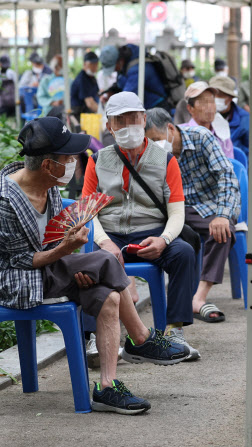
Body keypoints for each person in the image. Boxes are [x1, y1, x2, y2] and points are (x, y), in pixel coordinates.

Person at [0, 117, 189, 415]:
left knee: (109, 297)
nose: (75, 161)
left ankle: (106, 387)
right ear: (49, 165)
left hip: (48, 269)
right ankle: (140, 338)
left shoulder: (48, 187)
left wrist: (68, 260)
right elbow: (23, 261)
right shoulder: (1, 200)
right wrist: (66, 250)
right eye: (68, 157)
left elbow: (48, 245)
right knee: (104, 258)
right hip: (13, 280)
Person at [82, 92, 200, 360]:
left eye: (132, 118)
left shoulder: (166, 160)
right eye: (118, 120)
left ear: (144, 119)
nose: (126, 126)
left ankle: (174, 332)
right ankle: (92, 340)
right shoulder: (96, 161)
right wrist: (104, 242)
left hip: (153, 233)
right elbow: (88, 212)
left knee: (183, 253)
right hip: (111, 234)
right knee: (89, 262)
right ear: (109, 126)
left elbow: (176, 212)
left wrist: (165, 240)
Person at [144, 108, 239, 323]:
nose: (152, 145)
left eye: (156, 139)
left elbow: (227, 175)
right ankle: (176, 294)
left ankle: (199, 297)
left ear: (170, 128)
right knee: (171, 239)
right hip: (176, 210)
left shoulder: (201, 137)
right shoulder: (151, 154)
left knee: (223, 231)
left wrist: (222, 214)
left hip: (210, 206)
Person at [99, 44, 168, 109]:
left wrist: (112, 101)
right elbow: (121, 84)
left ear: (120, 61)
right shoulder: (125, 66)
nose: (114, 70)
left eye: (114, 67)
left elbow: (126, 97)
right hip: (146, 107)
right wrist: (110, 92)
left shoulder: (138, 68)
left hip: (157, 107)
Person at [180, 81, 234, 159]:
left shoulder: (222, 134)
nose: (210, 107)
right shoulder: (180, 134)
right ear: (190, 108)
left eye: (212, 101)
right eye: (203, 102)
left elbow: (230, 164)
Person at [210, 76, 250, 151]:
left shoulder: (244, 119)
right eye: (213, 95)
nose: (216, 98)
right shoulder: (204, 117)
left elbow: (250, 150)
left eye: (221, 95)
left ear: (230, 97)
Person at [71, 51, 100, 122]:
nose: (94, 67)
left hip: (89, 114)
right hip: (79, 115)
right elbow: (89, 103)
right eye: (92, 64)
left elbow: (97, 94)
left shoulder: (92, 77)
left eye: (96, 64)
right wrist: (104, 114)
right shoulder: (82, 79)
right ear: (84, 64)